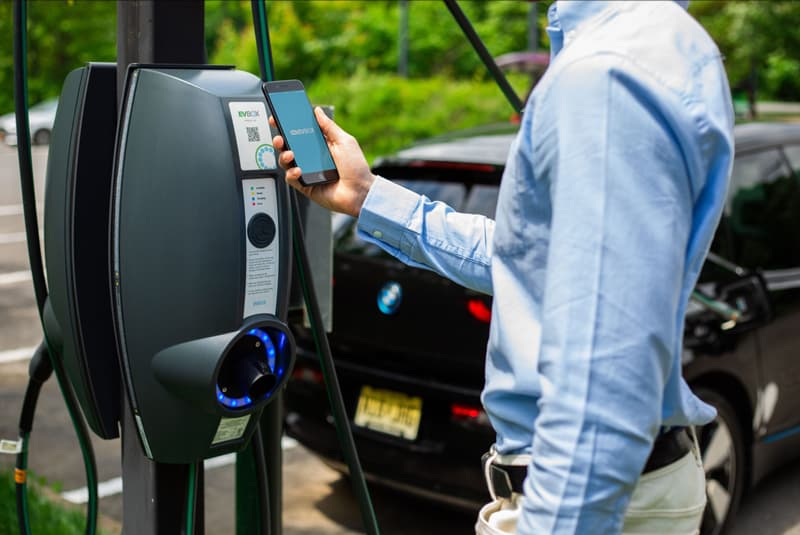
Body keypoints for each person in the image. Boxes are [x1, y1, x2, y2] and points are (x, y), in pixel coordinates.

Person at [271, 1, 734, 532]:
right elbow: (529, 258)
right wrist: (367, 197)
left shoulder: (606, 73)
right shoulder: (631, 46)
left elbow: (604, 383)